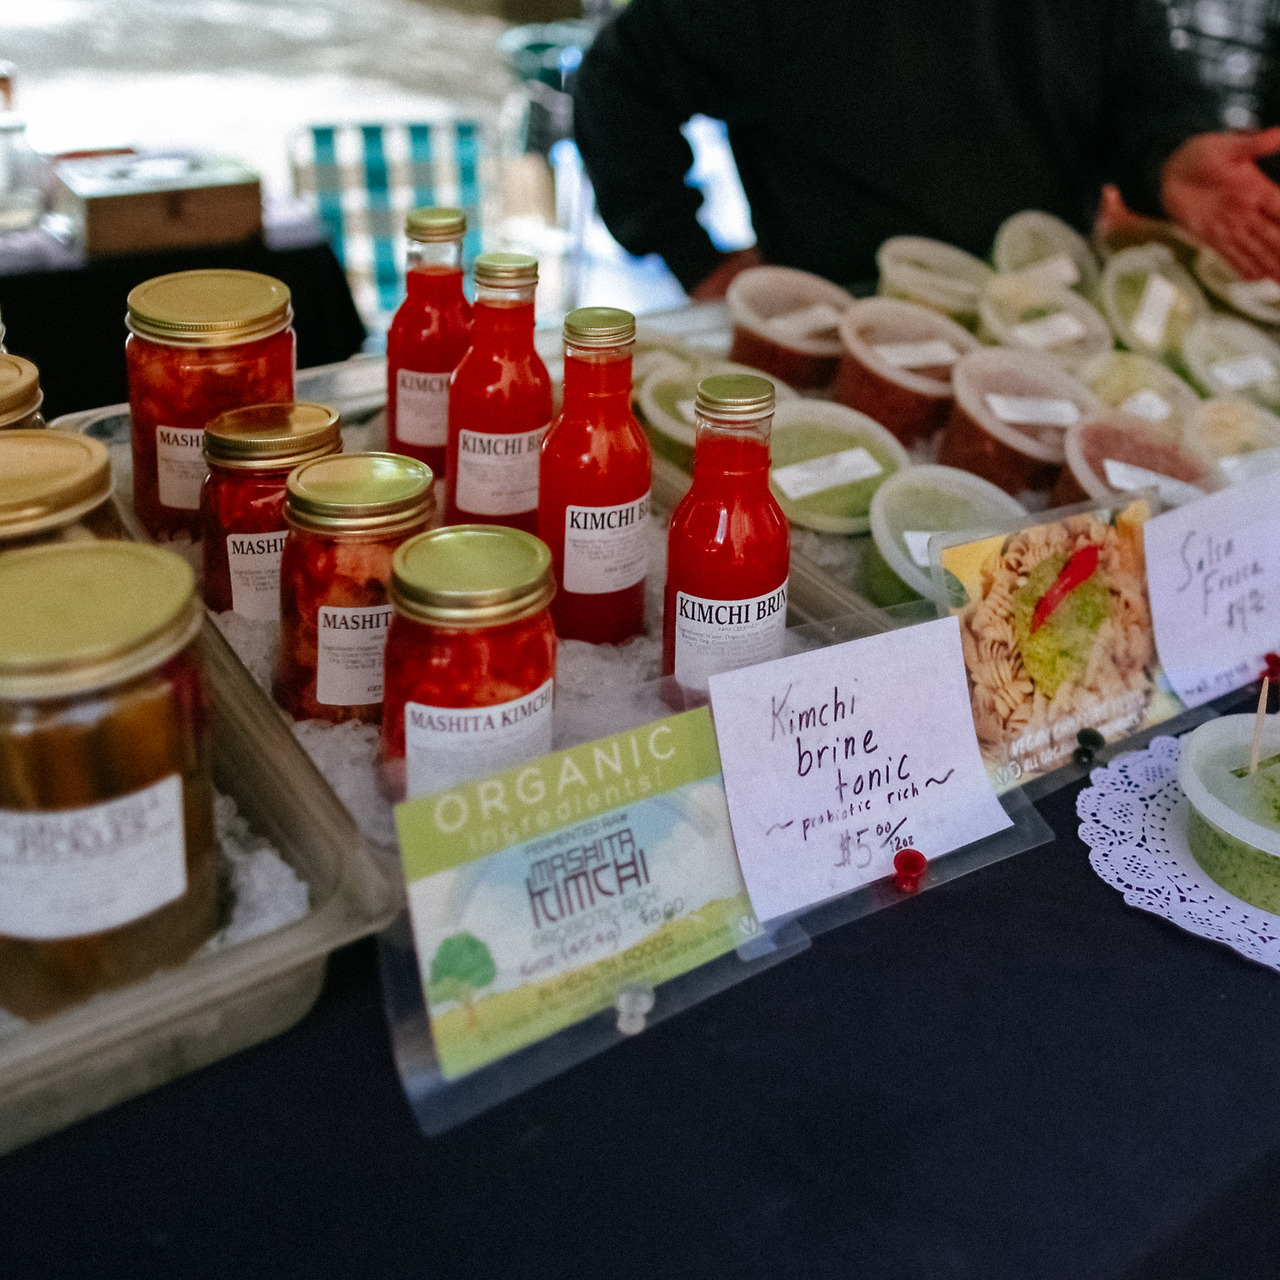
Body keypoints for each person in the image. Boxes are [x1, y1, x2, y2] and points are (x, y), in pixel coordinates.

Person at [573, 0, 1280, 297]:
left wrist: (1174, 152)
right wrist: (694, 256)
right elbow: (620, 81)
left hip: (1048, 304)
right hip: (839, 315)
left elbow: (1141, 85)